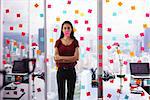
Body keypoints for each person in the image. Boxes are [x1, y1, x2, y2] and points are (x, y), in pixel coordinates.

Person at [54, 21, 79, 100]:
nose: (67, 30)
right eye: (65, 28)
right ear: (62, 30)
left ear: (71, 29)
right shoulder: (58, 42)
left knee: (70, 95)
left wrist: (62, 59)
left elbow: (76, 57)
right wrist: (70, 59)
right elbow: (56, 58)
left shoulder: (75, 42)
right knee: (61, 95)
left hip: (71, 71)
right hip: (61, 71)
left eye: (68, 28)